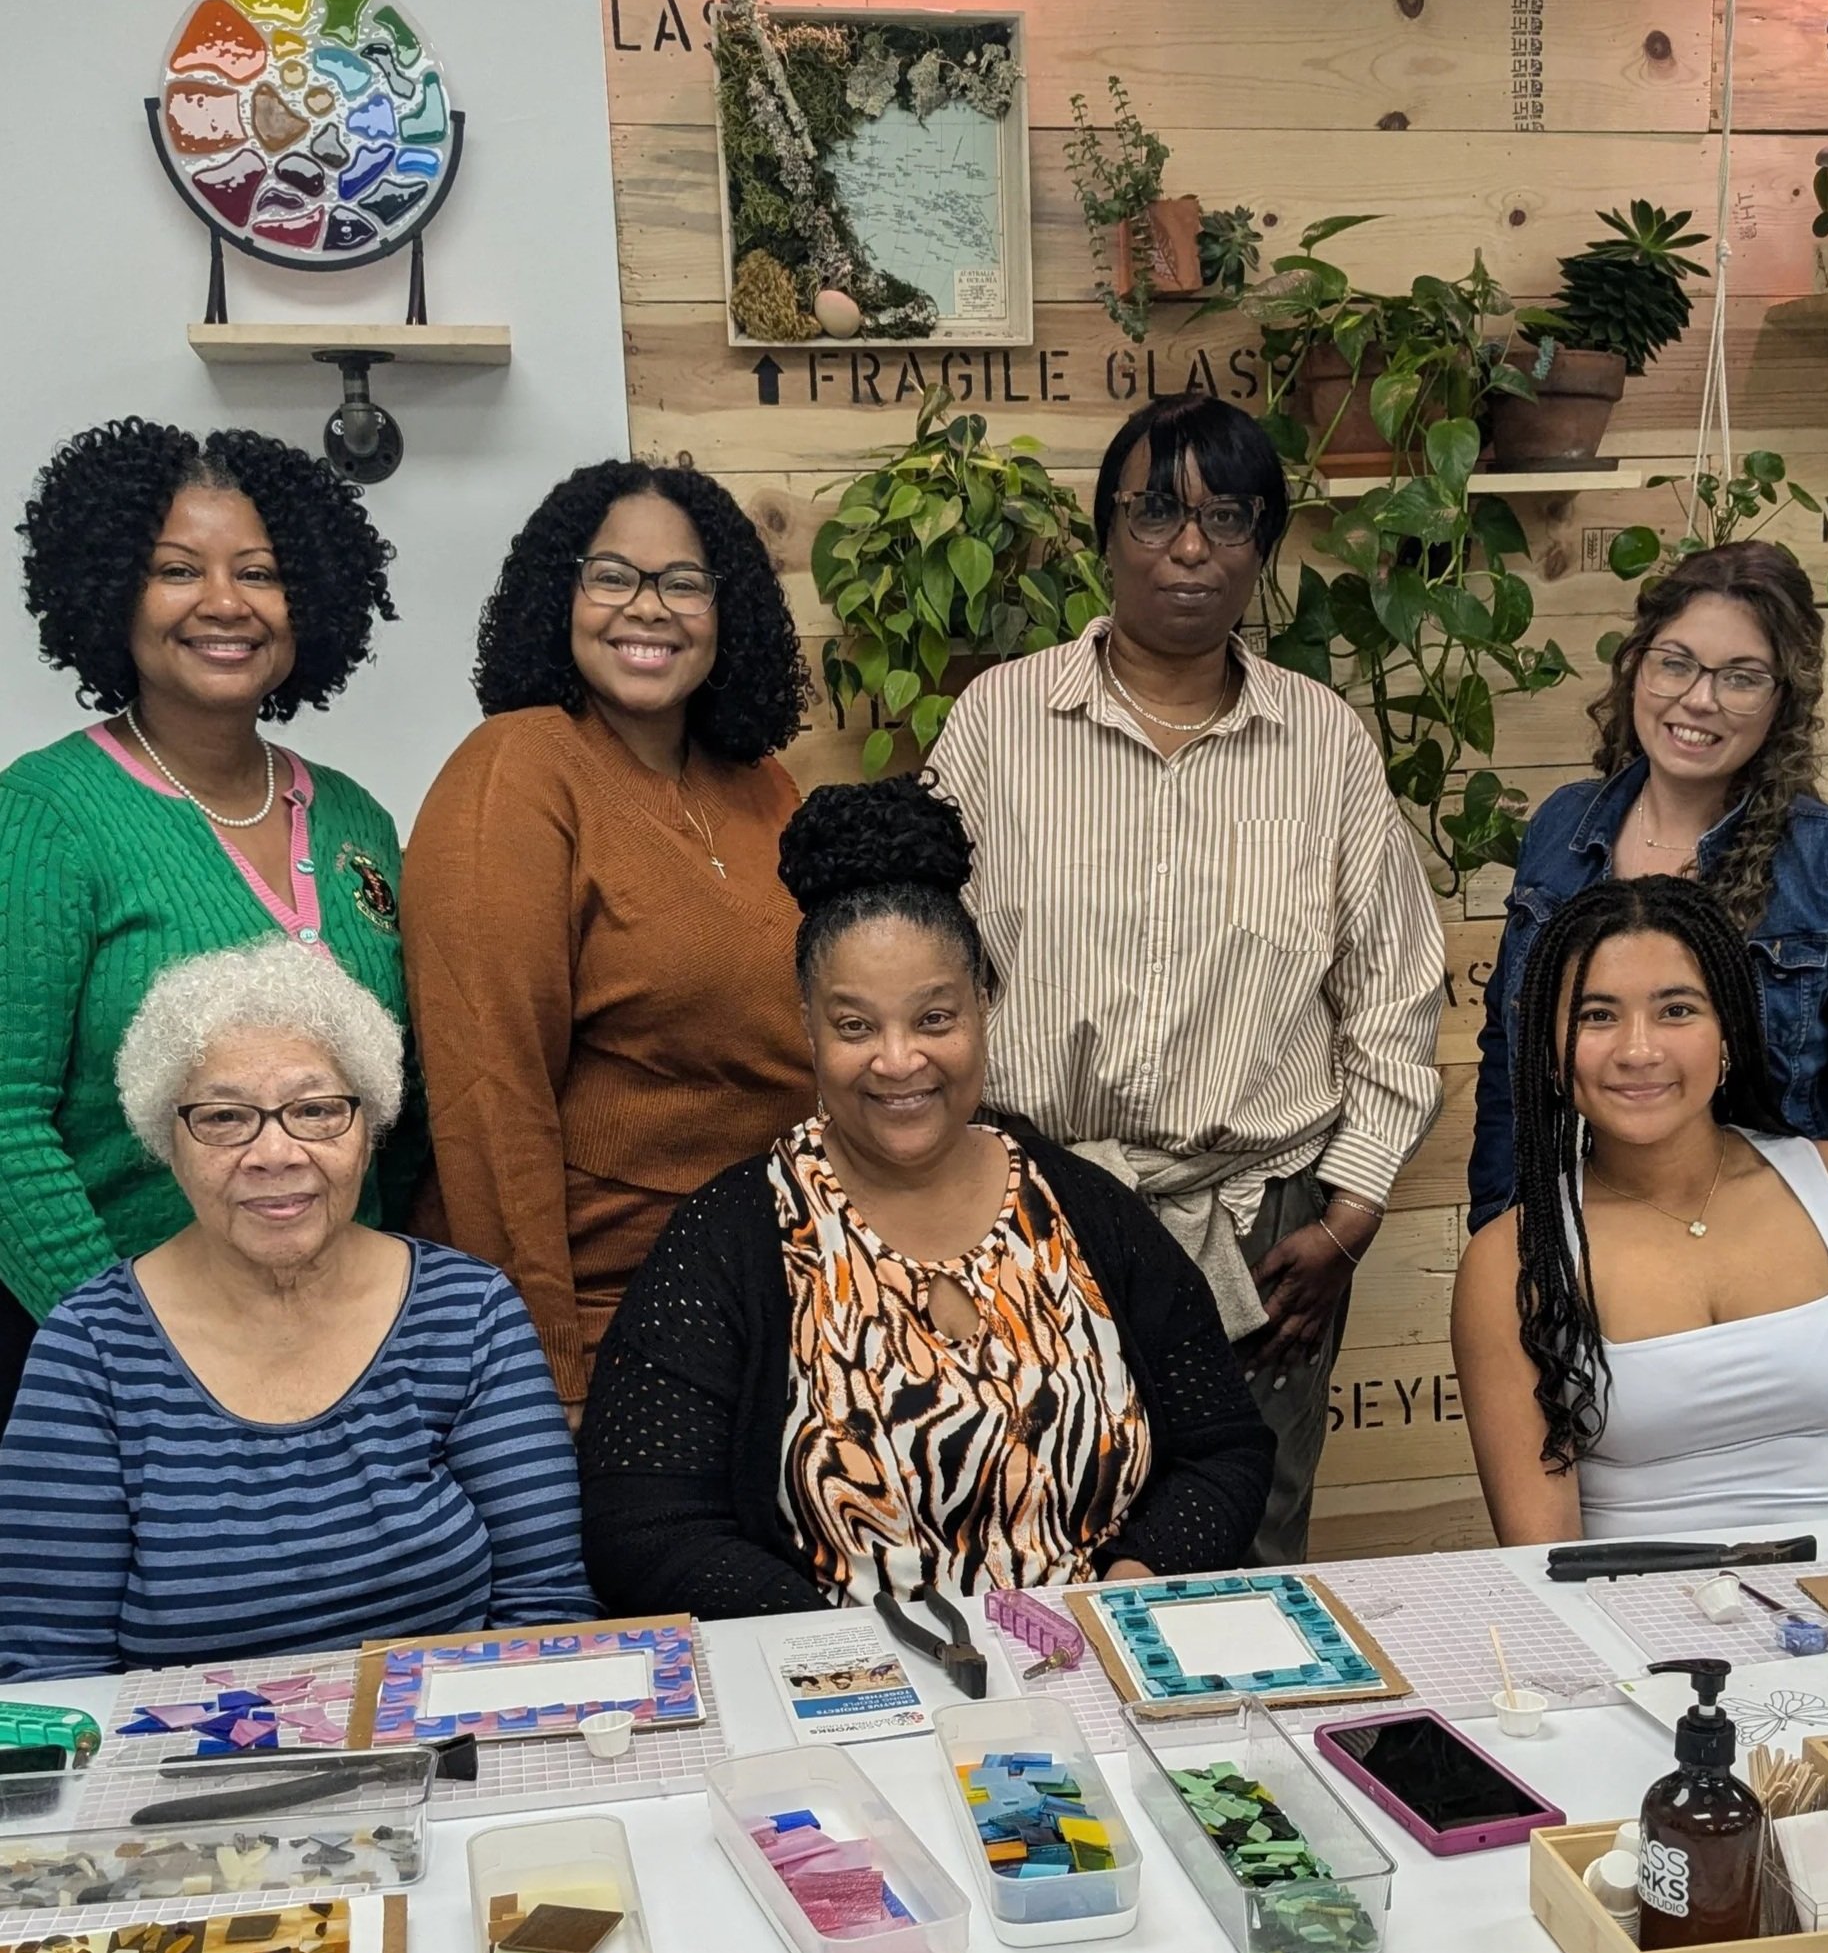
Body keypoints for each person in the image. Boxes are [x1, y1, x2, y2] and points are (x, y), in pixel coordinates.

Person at [925, 395, 1444, 1560]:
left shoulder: (1324, 744)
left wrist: (1349, 1215)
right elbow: (917, 956)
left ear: (1265, 543)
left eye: (1227, 515)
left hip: (1262, 1226)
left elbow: (1396, 995)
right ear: (1104, 533)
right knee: (1030, 1523)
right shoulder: (997, 724)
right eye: (1157, 510)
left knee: (1244, 1545)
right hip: (1032, 1213)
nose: (1192, 545)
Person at [577, 777, 1273, 1619]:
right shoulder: (728, 1241)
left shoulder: (1092, 1212)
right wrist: (844, 1648)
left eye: (935, 1018)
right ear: (807, 1027)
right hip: (846, 1703)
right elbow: (643, 1525)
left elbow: (1224, 1451)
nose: (899, 1060)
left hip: (1090, 1675)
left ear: (984, 1006)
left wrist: (1128, 1593)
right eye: (856, 1025)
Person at [0, 943, 594, 1678]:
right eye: (223, 1117)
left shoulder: (468, 1312)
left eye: (315, 1110)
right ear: (167, 1140)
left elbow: (545, 1608)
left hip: (450, 1762)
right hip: (182, 1783)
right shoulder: (88, 1351)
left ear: (367, 1127)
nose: (274, 1151)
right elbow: (50, 1669)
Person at [0, 418, 419, 1429]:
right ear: (110, 591)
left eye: (261, 573)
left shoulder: (358, 817)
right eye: (176, 569)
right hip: (118, 1366)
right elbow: (5, 1119)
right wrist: (133, 1347)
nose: (225, 603)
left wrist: (368, 1310)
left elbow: (401, 1102)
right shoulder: (45, 814)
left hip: (335, 1346)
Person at [402, 460, 818, 1424]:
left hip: (777, 1294)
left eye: (683, 582)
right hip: (606, 1321)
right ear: (563, 593)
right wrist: (546, 1377)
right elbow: (489, 1098)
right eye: (613, 576)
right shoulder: (514, 770)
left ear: (727, 611)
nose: (650, 608)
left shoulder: (764, 788)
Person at [1451, 877, 1828, 1545]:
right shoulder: (1512, 1259)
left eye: (1676, 1010)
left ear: (1729, 1031)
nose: (1638, 1050)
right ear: (1554, 1057)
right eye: (1597, 1015)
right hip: (1640, 1630)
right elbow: (1542, 1560)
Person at [1470, 540, 1828, 1231]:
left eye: (1742, 676)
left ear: (1784, 700)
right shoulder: (1561, 828)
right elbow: (1509, 1063)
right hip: (1572, 1247)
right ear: (1637, 667)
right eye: (1676, 663)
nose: (1700, 699)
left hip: (1766, 1255)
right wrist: (1501, 1234)